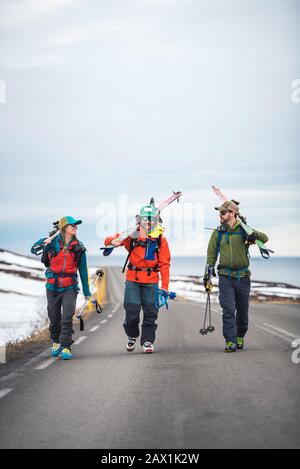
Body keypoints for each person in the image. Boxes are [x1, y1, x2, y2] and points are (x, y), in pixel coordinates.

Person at [104, 205, 171, 354]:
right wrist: (112, 242)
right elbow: (108, 239)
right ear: (139, 220)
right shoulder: (132, 235)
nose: (148, 222)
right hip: (133, 279)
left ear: (156, 220)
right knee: (131, 309)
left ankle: (147, 341)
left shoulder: (160, 238)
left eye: (152, 219)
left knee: (150, 311)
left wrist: (165, 286)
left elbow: (165, 264)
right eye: (145, 219)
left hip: (151, 280)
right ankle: (132, 335)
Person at [206, 201, 268, 352]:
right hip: (225, 277)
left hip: (243, 277)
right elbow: (211, 253)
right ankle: (230, 341)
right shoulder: (218, 233)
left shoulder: (244, 231)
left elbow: (264, 238)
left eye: (222, 213)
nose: (220, 215)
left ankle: (240, 335)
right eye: (219, 213)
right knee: (228, 309)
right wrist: (208, 270)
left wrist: (253, 234)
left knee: (242, 311)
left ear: (232, 213)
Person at [32, 216, 91, 360]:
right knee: (54, 318)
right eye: (73, 225)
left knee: (67, 316)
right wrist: (43, 242)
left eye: (76, 225)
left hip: (70, 286)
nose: (75, 227)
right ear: (64, 228)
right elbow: (34, 249)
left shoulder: (79, 247)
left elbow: (83, 270)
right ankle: (56, 341)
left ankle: (66, 346)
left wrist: (87, 290)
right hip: (52, 285)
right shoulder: (51, 242)